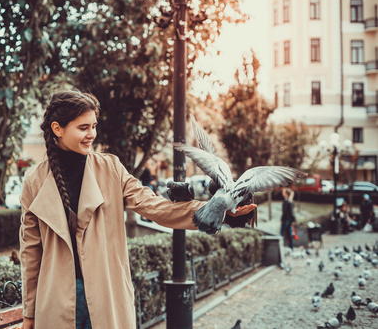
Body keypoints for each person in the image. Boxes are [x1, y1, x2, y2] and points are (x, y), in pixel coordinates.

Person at [19, 90, 257, 329]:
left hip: (106, 297)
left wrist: (217, 211)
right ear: (57, 129)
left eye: (93, 126)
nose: (91, 134)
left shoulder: (110, 168)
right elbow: (31, 253)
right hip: (55, 304)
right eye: (83, 128)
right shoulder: (34, 181)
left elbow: (155, 207)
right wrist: (29, 314)